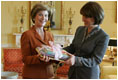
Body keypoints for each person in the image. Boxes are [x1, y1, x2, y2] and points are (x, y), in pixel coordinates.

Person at [64, 2, 109, 79]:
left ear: (95, 17)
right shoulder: (79, 29)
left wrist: (76, 60)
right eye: (83, 15)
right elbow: (73, 47)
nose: (83, 19)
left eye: (86, 16)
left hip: (88, 75)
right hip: (73, 73)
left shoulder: (103, 36)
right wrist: (58, 49)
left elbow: (96, 60)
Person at [21, 3, 56, 79]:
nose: (44, 18)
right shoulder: (27, 34)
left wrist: (59, 56)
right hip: (32, 75)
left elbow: (53, 55)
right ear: (33, 17)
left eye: (46, 15)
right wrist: (38, 58)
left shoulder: (50, 35)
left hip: (49, 75)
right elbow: (25, 59)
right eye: (40, 15)